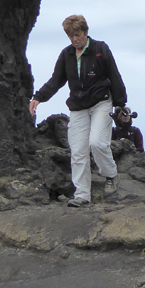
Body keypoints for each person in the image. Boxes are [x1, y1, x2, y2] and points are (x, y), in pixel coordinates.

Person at [30, 15, 127, 206]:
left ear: (85, 32)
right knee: (78, 151)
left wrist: (121, 104)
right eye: (71, 36)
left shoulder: (100, 49)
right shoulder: (66, 55)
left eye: (78, 34)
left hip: (101, 102)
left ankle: (111, 176)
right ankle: (82, 195)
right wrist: (38, 97)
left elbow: (114, 75)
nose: (75, 39)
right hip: (78, 106)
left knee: (97, 143)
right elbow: (56, 80)